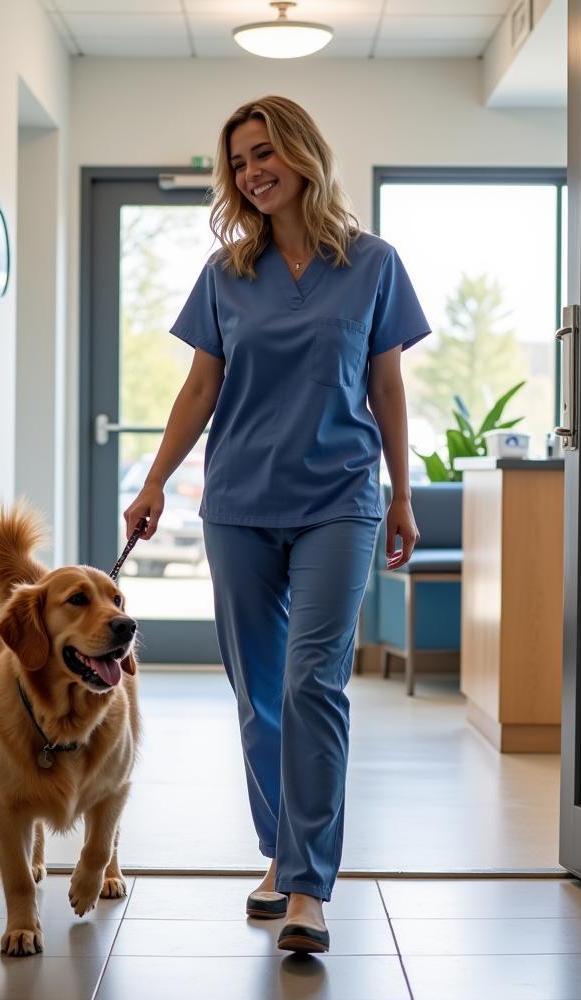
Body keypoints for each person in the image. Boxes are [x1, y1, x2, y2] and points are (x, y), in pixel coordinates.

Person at [123, 95, 429, 954]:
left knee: (311, 686)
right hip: (240, 503)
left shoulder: (373, 264)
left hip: (340, 496)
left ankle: (307, 886)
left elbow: (389, 387)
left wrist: (402, 492)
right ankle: (281, 854)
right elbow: (200, 389)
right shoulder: (227, 274)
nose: (254, 172)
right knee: (258, 697)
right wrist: (154, 482)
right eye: (239, 162)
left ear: (302, 154)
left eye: (265, 153)